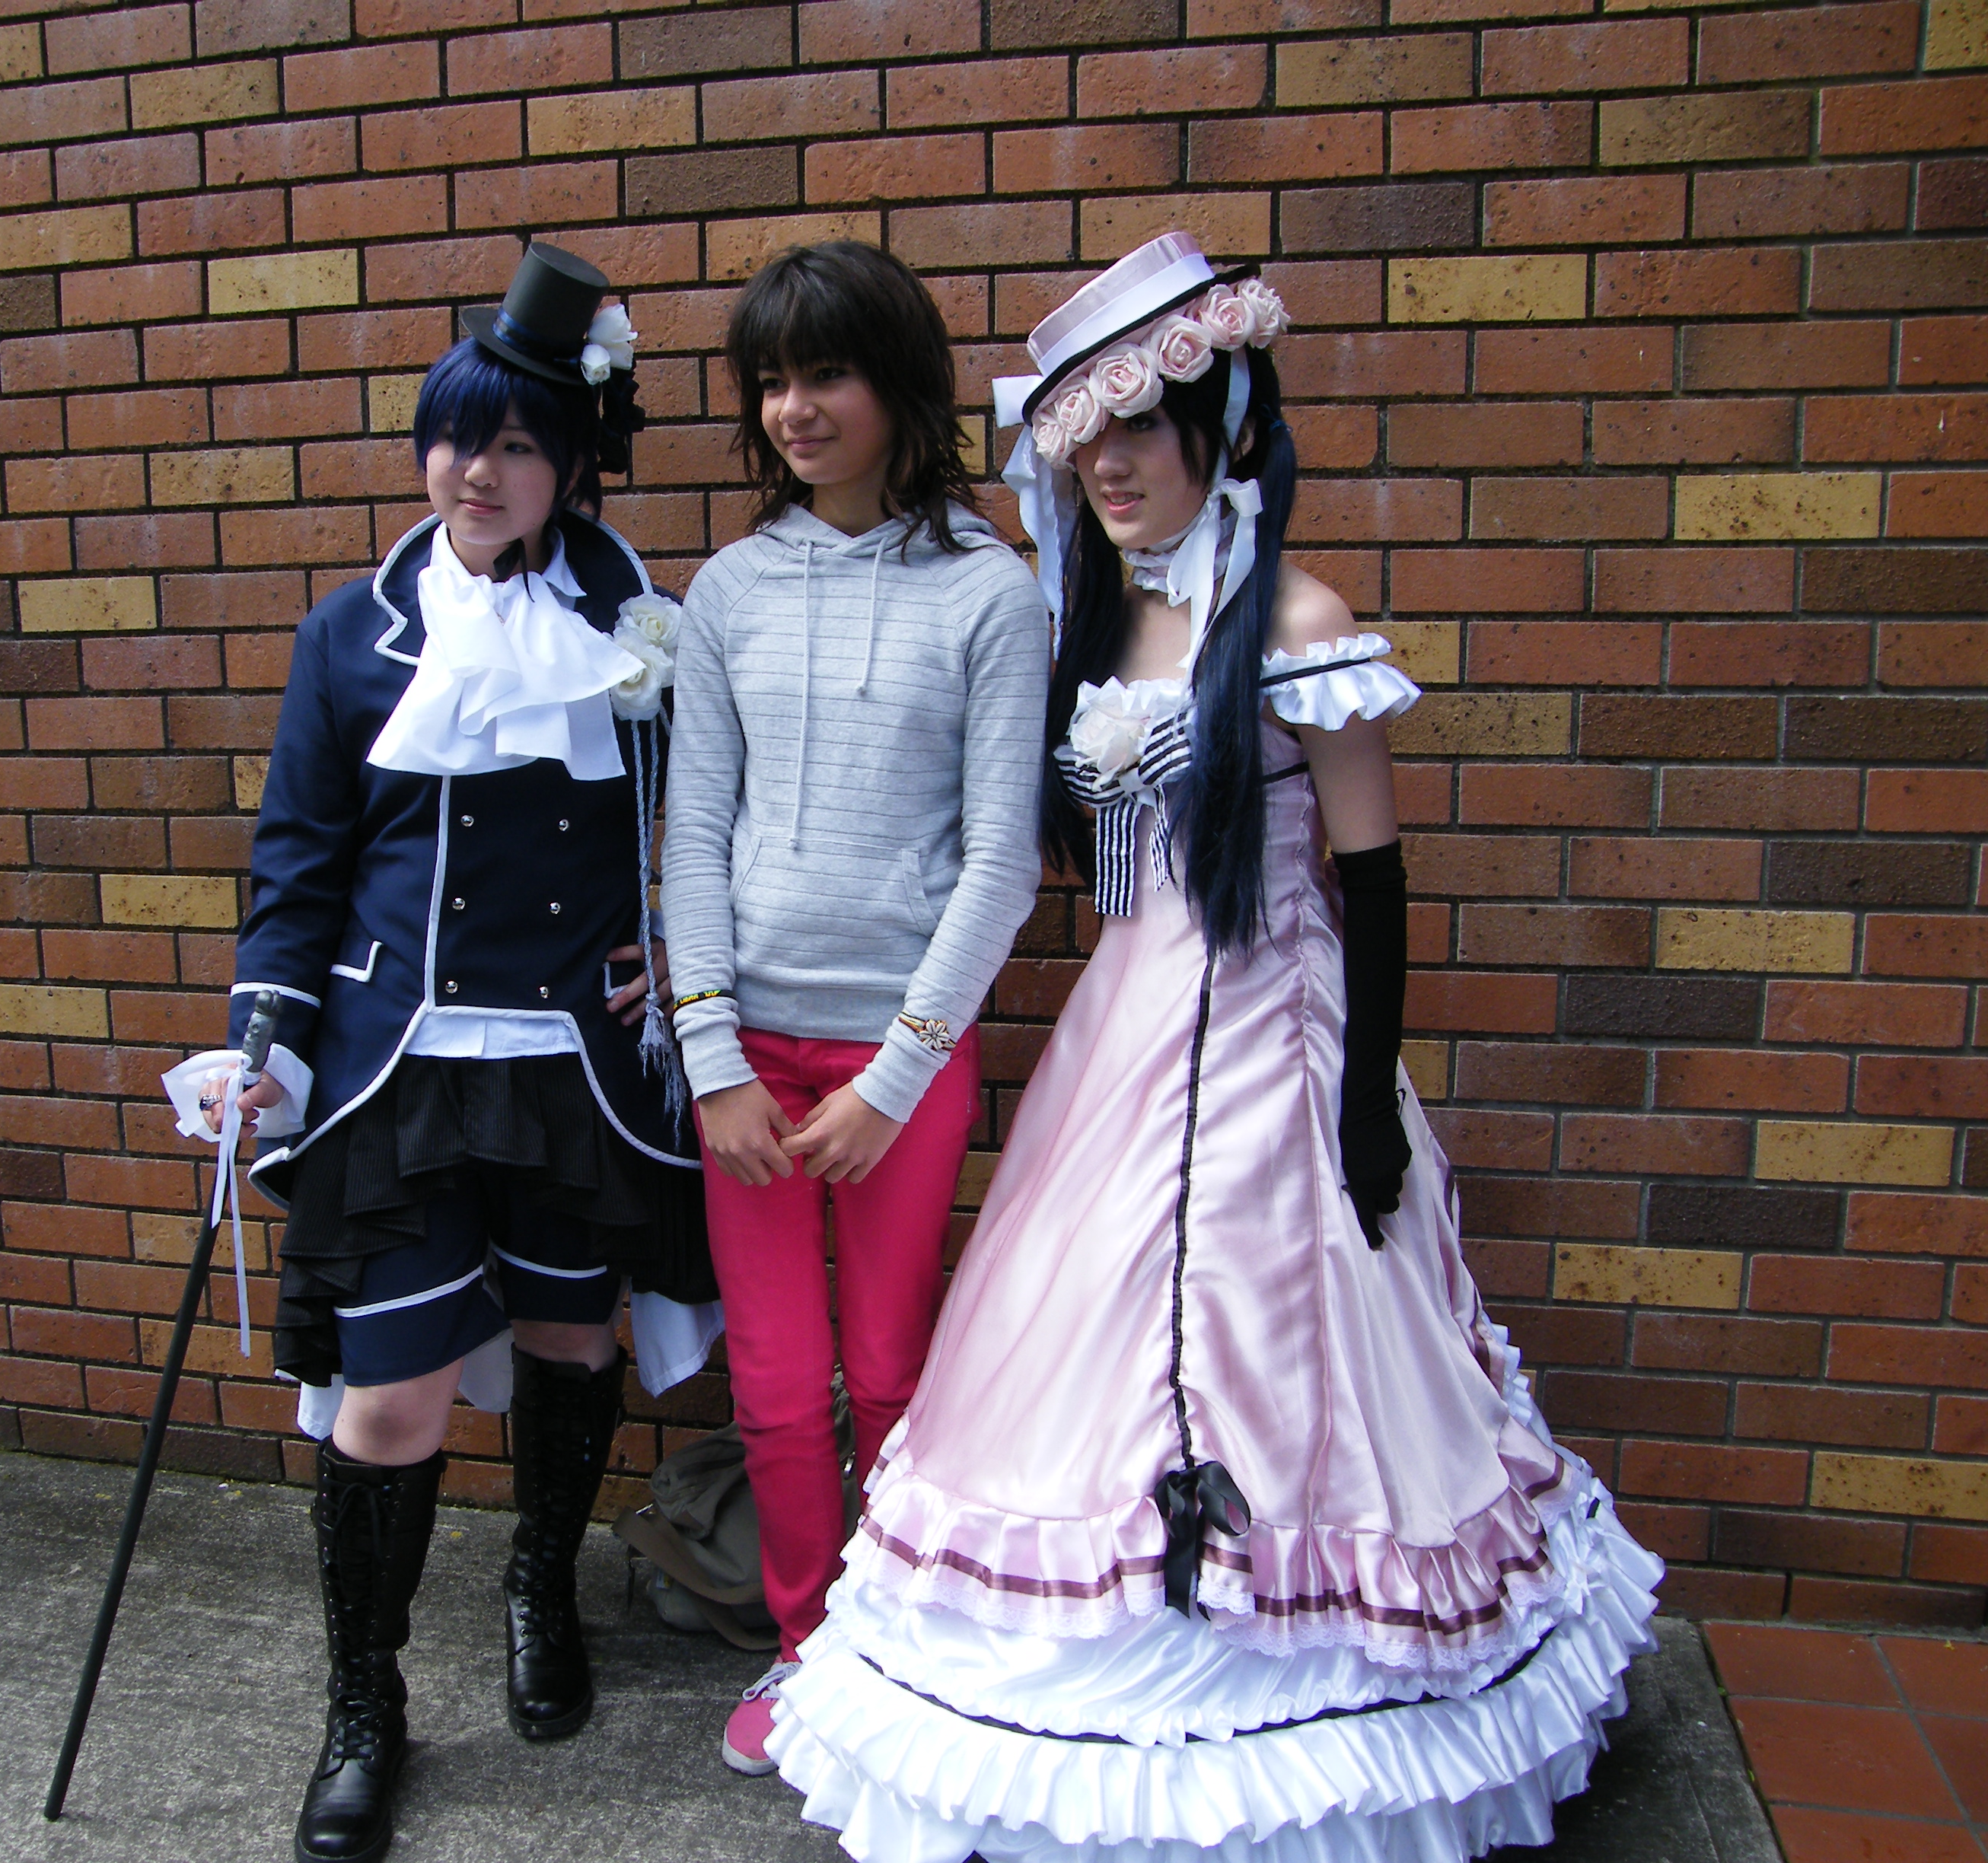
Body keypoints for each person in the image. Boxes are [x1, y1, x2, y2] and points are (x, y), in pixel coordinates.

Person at [764, 233, 1663, 1862]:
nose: (1110, 466)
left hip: (1273, 1030)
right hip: (1128, 1026)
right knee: (1081, 1323)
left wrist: (1366, 1115)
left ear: (1223, 422)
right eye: (1087, 440)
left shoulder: (1300, 620)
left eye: (1143, 429)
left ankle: (1308, 1686)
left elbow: (1377, 885)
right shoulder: (1104, 621)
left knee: (1272, 1331)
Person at [192, 242, 715, 1863]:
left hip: (574, 1068)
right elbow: (296, 864)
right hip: (393, 1072)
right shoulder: (350, 637)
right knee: (391, 1398)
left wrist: (679, 950)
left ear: (570, 464)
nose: (473, 471)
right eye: (451, 438)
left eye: (514, 445)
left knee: (568, 1342)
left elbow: (710, 828)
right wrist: (265, 1033)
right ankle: (365, 1704)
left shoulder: (644, 628)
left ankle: (541, 1586)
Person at [658, 241, 1051, 1779]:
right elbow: (693, 836)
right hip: (748, 1057)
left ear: (899, 386)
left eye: (825, 374)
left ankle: (896, 1646)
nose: (794, 409)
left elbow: (1003, 861)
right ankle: (805, 1645)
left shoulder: (991, 593)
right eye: (770, 381)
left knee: (890, 1368)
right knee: (771, 1381)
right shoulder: (730, 593)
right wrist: (710, 1058)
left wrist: (895, 1077)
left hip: (901, 1057)